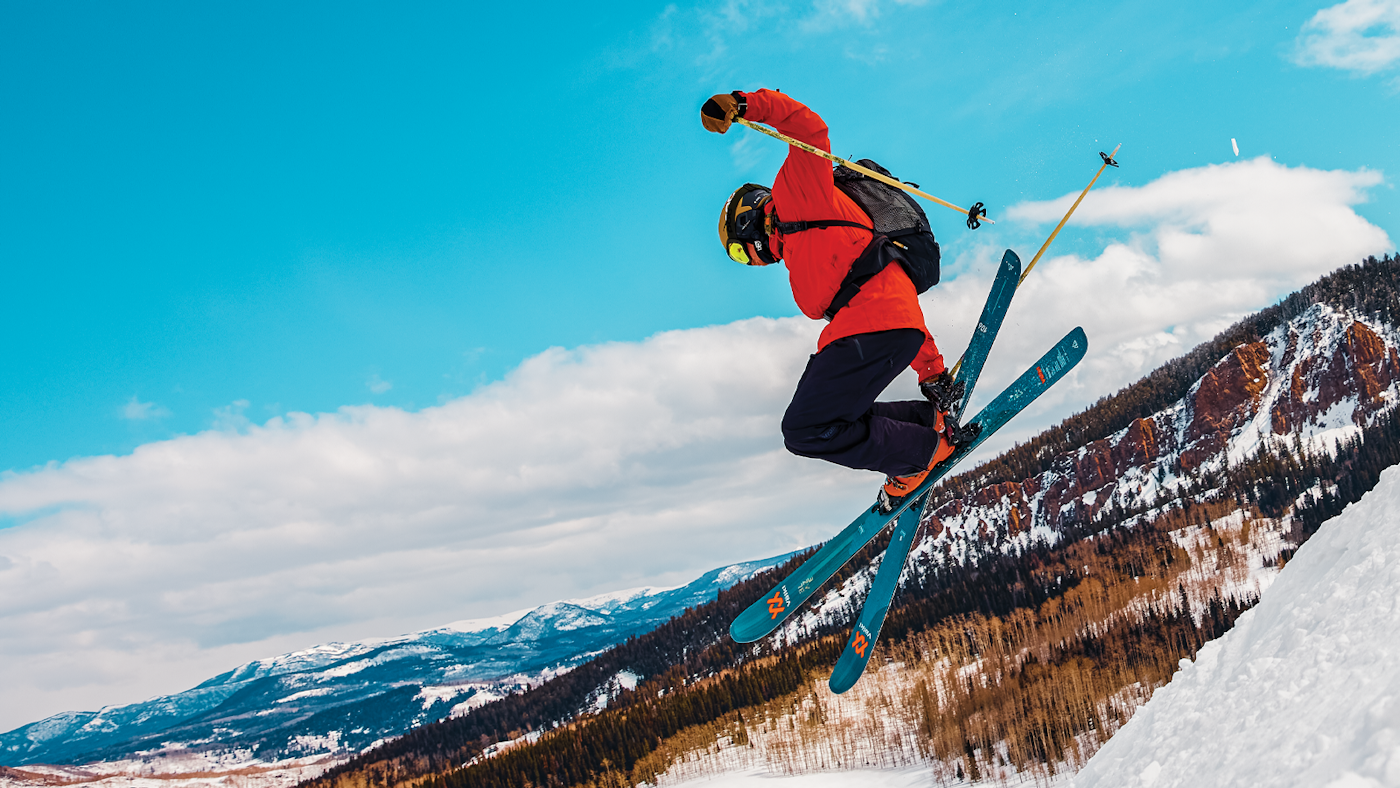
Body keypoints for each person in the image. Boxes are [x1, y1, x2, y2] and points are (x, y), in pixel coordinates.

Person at [701, 88, 968, 507]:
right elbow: (892, 300)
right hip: (885, 330)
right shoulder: (811, 254)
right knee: (832, 419)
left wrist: (743, 104)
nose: (751, 262)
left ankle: (921, 454)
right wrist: (931, 373)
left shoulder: (797, 197)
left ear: (748, 221)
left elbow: (810, 129)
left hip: (872, 331)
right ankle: (927, 425)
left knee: (806, 429)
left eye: (740, 252)